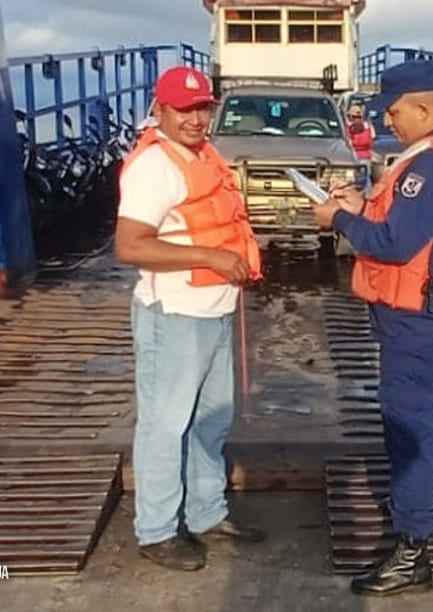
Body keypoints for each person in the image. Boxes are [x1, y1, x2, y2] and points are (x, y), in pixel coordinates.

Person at [313, 61, 433, 596]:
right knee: (419, 412)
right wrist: (362, 205)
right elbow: (410, 225)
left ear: (423, 107)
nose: (388, 121)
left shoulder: (430, 169)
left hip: (417, 318)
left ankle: (412, 548)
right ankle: (425, 501)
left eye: (394, 111)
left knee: (407, 425)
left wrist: (338, 219)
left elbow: (393, 244)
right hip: (425, 309)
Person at [114, 66, 264, 572]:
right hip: (174, 315)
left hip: (216, 311)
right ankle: (156, 530)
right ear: (160, 110)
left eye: (204, 108)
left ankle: (206, 511)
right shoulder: (154, 166)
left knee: (212, 419)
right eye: (185, 109)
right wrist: (213, 258)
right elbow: (130, 245)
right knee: (165, 423)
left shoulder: (203, 155)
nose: (197, 119)